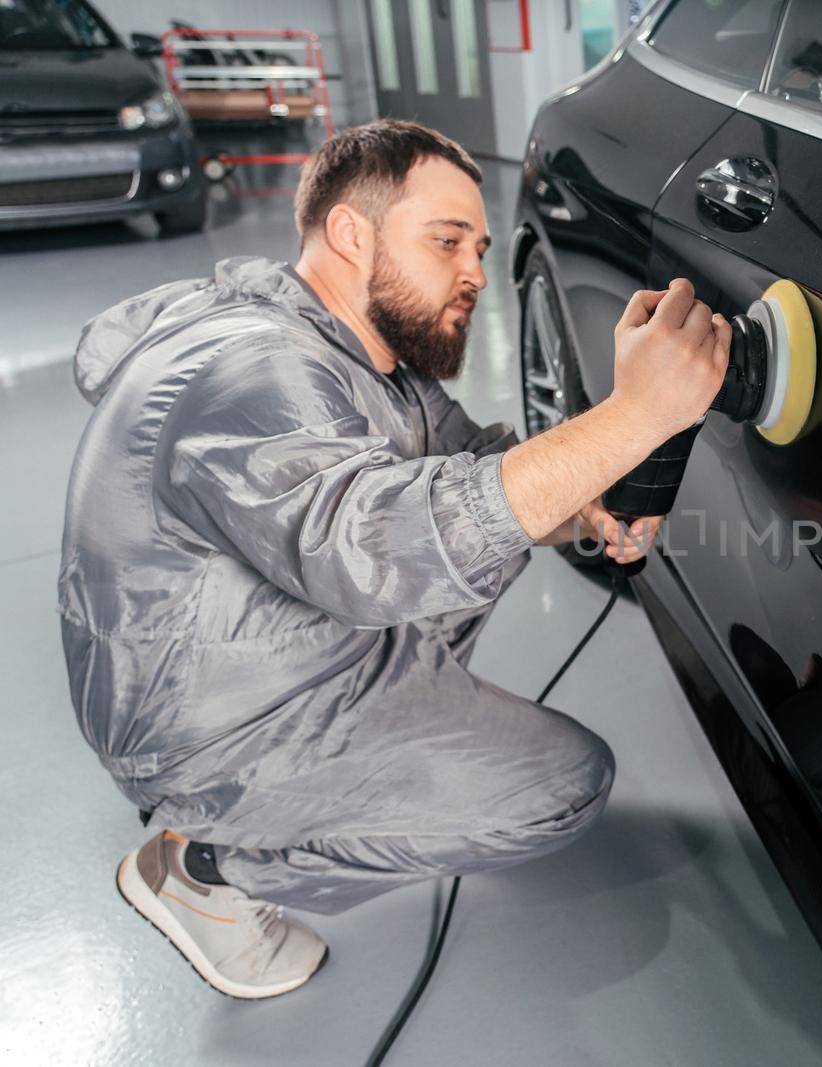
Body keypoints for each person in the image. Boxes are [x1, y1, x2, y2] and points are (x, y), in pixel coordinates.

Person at [57, 120, 730, 999]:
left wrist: (589, 500)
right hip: (210, 724)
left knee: (487, 520)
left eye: (480, 247)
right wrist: (634, 418)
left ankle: (347, 763)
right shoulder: (251, 368)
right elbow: (377, 544)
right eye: (446, 240)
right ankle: (206, 867)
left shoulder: (361, 354)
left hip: (271, 651)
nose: (477, 272)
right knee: (565, 784)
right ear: (350, 234)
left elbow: (473, 472)